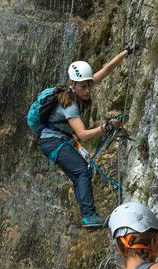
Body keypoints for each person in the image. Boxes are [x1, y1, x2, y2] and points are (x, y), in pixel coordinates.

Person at [38, 48, 135, 228]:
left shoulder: (83, 85)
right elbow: (83, 134)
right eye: (84, 87)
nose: (88, 90)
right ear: (73, 85)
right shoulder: (70, 105)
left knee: (80, 173)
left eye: (89, 85)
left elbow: (106, 70)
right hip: (52, 142)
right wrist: (106, 127)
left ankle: (88, 216)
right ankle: (89, 216)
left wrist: (126, 53)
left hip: (58, 139)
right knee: (82, 170)